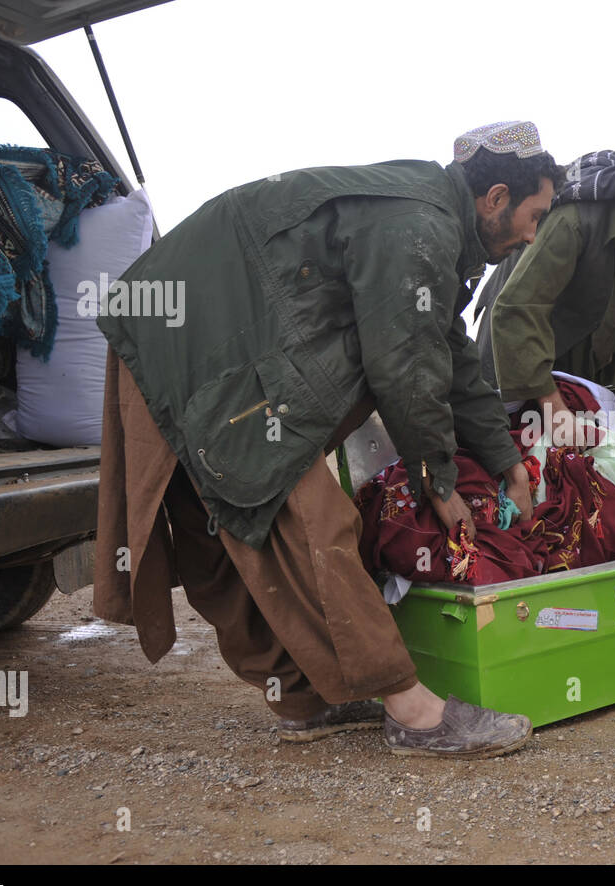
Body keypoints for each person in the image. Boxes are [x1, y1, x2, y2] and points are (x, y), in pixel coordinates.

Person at [92, 121, 563, 757]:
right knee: (308, 519)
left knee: (228, 526)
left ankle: (303, 696)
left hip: (200, 340)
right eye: (534, 217)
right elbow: (407, 365)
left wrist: (505, 458)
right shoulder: (420, 224)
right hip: (190, 346)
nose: (534, 235)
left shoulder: (428, 219)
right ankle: (412, 709)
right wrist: (438, 478)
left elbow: (445, 348)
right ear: (496, 197)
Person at [474, 147, 615, 503]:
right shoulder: (576, 220)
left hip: (593, 352)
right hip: (515, 349)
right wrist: (554, 408)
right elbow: (518, 308)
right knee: (518, 474)